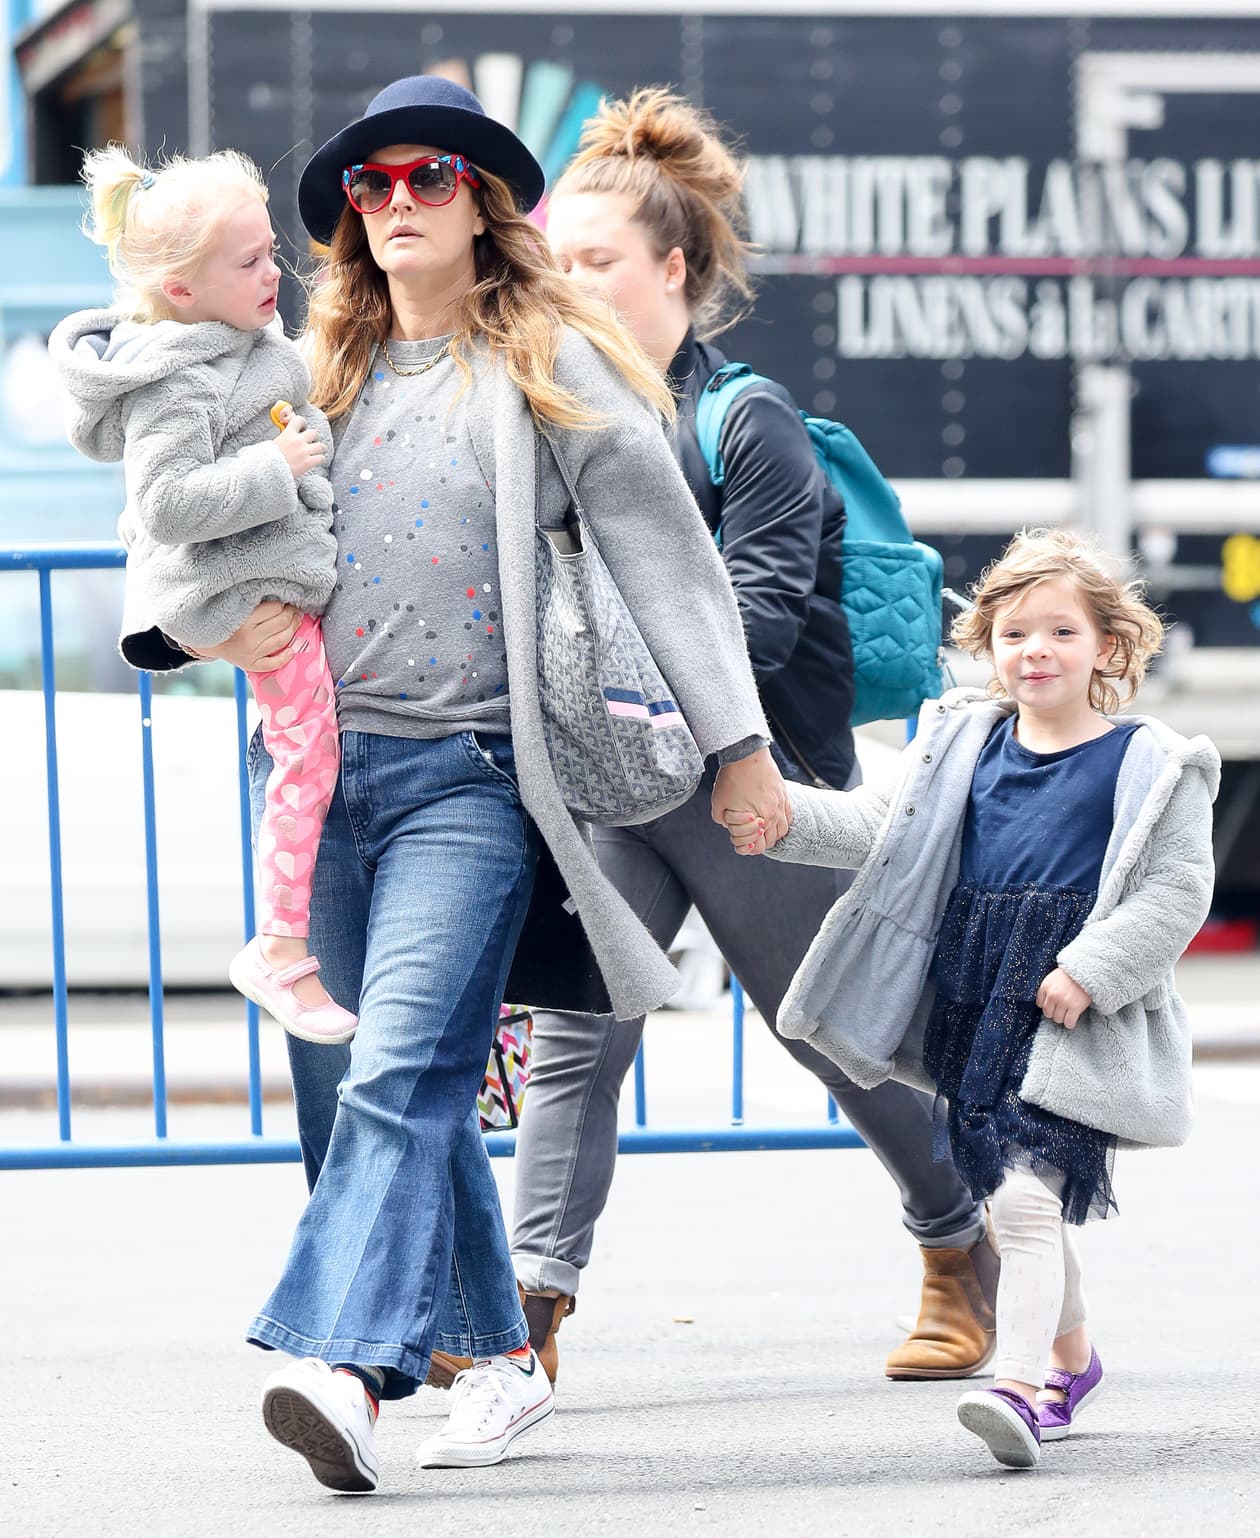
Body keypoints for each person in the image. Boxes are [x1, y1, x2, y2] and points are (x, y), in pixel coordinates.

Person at [135, 74, 790, 1495]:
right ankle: (494, 1354)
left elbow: (670, 559)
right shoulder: (308, 368)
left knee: (408, 1066)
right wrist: (189, 627)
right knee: (371, 1087)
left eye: (427, 177)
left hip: (473, 782)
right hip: (322, 785)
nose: (394, 203)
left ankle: (341, 1367)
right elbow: (176, 506)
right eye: (370, 186)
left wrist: (738, 749)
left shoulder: (555, 357)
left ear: (485, 203)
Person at [489, 87, 998, 1391]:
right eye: (555, 256)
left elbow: (756, 621)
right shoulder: (553, 409)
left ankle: (960, 1246)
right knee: (574, 1035)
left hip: (749, 774)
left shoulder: (744, 421)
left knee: (830, 1030)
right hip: (614, 782)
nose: (565, 279)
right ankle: (527, 1312)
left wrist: (622, 685)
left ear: (673, 268)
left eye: (594, 258)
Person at [726, 528, 1218, 1469]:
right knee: (1006, 1194)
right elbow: (878, 827)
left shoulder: (1155, 761)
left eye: (1061, 633)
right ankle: (1073, 1362)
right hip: (973, 988)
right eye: (1014, 633)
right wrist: (778, 818)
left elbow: (1174, 893)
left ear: (1108, 648)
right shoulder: (961, 740)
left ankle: (1021, 1389)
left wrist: (1093, 970)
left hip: (1071, 1001)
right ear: (986, 644)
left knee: (1030, 1202)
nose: (1035, 651)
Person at [50, 147, 357, 1047]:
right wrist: (280, 464)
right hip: (235, 593)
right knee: (307, 758)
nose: (274, 274)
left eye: (271, 252)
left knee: (304, 750)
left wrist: (301, 445)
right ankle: (279, 949)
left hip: (251, 583)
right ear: (182, 292)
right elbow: (164, 504)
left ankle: (285, 945)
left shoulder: (242, 347)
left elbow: (281, 432)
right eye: (250, 261)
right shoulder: (178, 377)